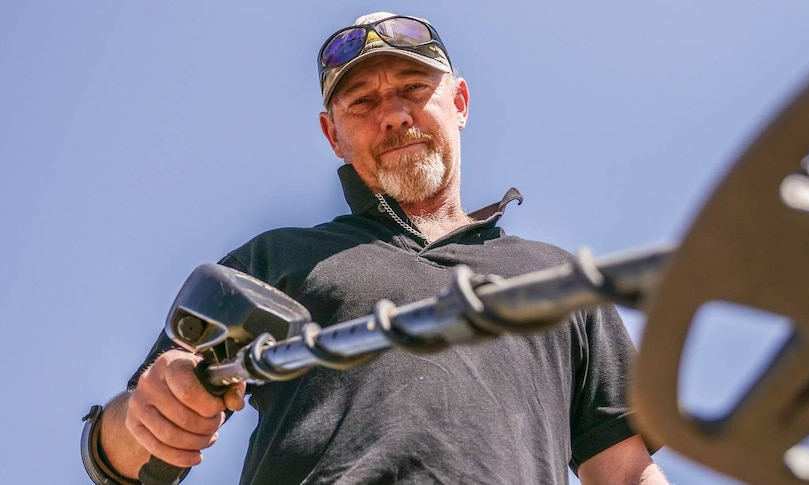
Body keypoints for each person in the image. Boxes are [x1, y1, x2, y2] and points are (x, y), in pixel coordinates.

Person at [85, 11, 668, 485]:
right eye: (361, 102)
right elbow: (122, 460)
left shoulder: (556, 278)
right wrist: (150, 411)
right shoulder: (272, 261)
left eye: (414, 89)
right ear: (332, 134)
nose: (392, 115)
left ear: (460, 103)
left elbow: (622, 471)